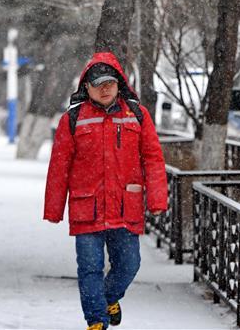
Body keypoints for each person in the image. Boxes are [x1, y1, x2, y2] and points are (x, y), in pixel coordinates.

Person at [44, 52, 168, 330]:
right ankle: (96, 322)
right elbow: (59, 167)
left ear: (119, 83)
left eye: (110, 82)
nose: (104, 88)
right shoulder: (73, 118)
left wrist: (158, 198)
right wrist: (54, 209)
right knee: (89, 269)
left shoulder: (136, 114)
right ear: (86, 86)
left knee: (129, 265)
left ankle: (108, 298)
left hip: (127, 207)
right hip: (86, 207)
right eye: (98, 83)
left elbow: (153, 158)